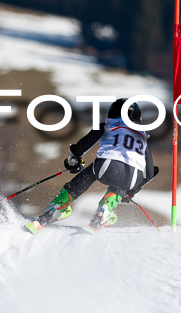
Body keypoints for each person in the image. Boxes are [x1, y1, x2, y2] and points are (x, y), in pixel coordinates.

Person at [25, 98, 159, 234]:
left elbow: (85, 144)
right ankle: (104, 212)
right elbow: (149, 172)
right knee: (119, 186)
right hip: (133, 177)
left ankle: (56, 208)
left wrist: (73, 161)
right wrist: (130, 192)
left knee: (88, 175)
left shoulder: (108, 124)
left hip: (107, 166)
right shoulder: (143, 136)